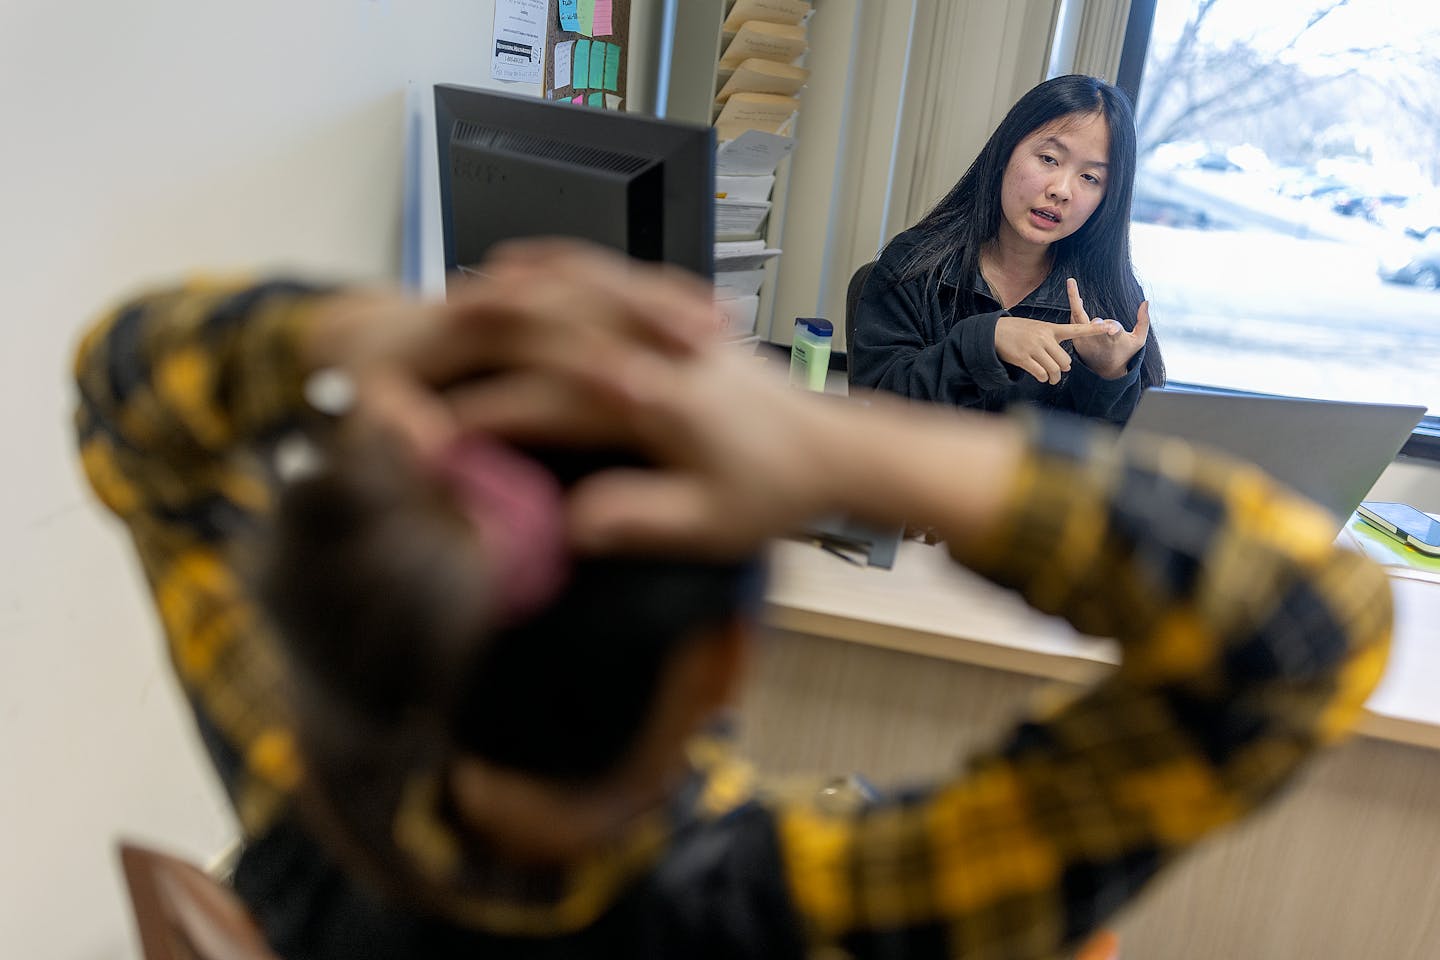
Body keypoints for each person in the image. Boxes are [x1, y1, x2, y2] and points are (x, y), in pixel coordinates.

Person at [75, 240, 1390, 960]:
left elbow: (127, 404)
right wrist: (838, 447)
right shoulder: (825, 912)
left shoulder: (301, 785)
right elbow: (1305, 628)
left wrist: (361, 335)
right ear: (717, 671)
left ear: (369, 627)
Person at [851, 74, 1164, 423]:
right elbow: (872, 411)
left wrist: (1107, 375)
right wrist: (985, 342)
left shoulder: (1111, 298)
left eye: (1090, 178)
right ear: (1006, 151)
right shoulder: (915, 264)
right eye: (1048, 158)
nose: (1061, 190)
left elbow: (1116, 463)